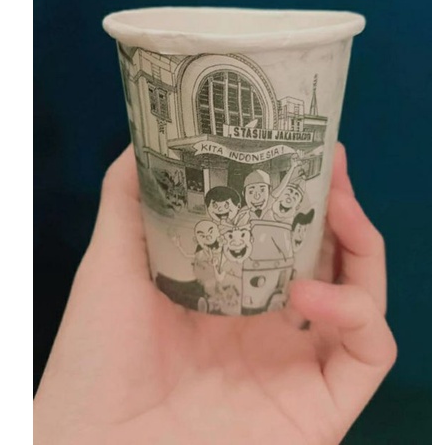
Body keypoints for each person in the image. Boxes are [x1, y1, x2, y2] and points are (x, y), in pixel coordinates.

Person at [34, 143, 396, 445]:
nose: (253, 197)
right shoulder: (222, 229)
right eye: (249, 192)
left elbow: (280, 194)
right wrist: (88, 428)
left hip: (269, 298)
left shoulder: (262, 215)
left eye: (258, 191)